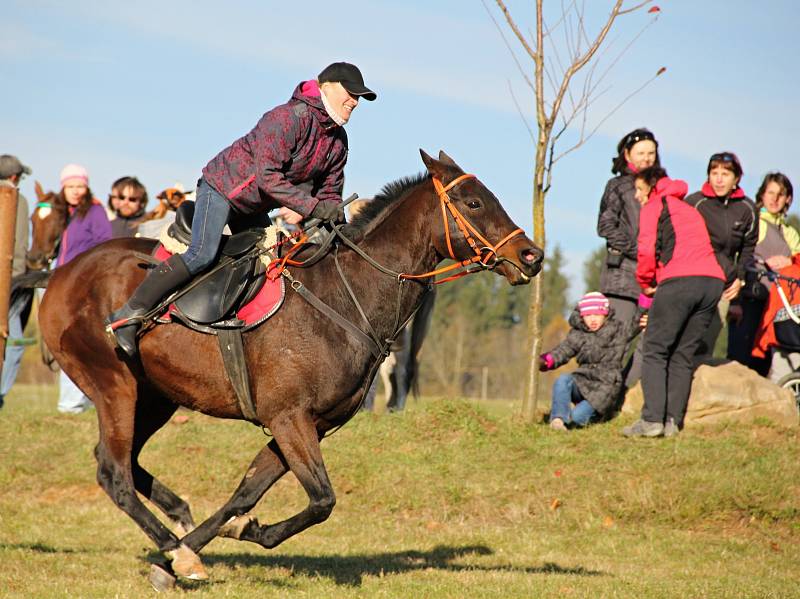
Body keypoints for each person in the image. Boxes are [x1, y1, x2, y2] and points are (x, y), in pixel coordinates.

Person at [106, 61, 377, 358]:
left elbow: (329, 193)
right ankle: (128, 314)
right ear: (326, 87)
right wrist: (313, 207)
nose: (355, 101)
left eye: (359, 97)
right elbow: (267, 177)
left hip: (254, 204)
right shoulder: (287, 118)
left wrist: (339, 226)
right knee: (202, 254)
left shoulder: (338, 141)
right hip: (220, 189)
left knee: (272, 262)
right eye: (350, 93)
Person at [623, 167, 725, 438]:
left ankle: (651, 420)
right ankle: (672, 422)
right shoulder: (688, 208)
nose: (637, 195)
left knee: (655, 350)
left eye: (639, 189)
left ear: (652, 187)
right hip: (713, 282)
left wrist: (646, 281)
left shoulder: (656, 205)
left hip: (680, 280)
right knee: (682, 354)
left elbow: (646, 248)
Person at [596, 128, 660, 387]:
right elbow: (605, 227)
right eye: (641, 153)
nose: (646, 158)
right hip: (622, 280)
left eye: (651, 153)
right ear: (627, 154)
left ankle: (624, 397)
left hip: (655, 281)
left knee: (650, 342)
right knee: (615, 343)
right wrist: (640, 251)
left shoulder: (661, 188)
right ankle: (598, 400)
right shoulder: (618, 186)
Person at [685, 152, 757, 363]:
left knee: (707, 341)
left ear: (736, 179)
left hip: (723, 284)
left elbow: (747, 250)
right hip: (692, 279)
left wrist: (739, 281)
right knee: (685, 338)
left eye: (725, 174)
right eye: (714, 173)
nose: (718, 179)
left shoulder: (748, 209)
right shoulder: (694, 202)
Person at [539, 291, 643, 430]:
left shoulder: (618, 330)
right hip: (583, 380)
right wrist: (546, 360)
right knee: (563, 380)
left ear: (605, 314)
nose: (592, 319)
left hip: (604, 388)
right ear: (582, 316)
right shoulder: (578, 333)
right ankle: (558, 419)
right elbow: (563, 350)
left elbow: (634, 323)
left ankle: (599, 414)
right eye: (588, 315)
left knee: (576, 418)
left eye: (597, 315)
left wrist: (645, 300)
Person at [728, 173, 799, 375]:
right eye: (770, 193)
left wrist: (790, 261)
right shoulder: (755, 222)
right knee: (740, 361)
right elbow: (738, 258)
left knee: (762, 366)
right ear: (762, 195)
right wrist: (735, 301)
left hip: (778, 309)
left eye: (781, 194)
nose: (774, 199)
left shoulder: (790, 232)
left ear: (788, 199)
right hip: (752, 299)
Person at [55, 164, 112, 413]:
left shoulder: (95, 210)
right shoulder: (61, 211)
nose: (76, 191)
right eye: (71, 186)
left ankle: (73, 404)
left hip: (81, 283)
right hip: (59, 280)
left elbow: (104, 242)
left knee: (73, 341)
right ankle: (79, 400)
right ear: (63, 188)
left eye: (80, 186)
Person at [0, 155, 31, 410]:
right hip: (8, 281)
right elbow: (18, 244)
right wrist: (18, 280)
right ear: (14, 178)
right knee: (14, 343)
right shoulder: (15, 199)